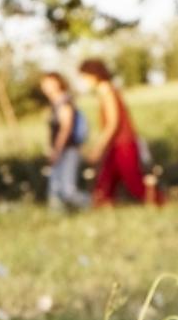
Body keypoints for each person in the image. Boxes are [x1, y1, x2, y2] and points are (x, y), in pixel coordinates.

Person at [78, 59, 155, 206]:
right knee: (105, 184)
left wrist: (99, 148)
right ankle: (103, 211)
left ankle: (159, 204)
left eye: (85, 77)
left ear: (94, 75)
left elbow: (113, 123)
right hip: (115, 145)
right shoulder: (105, 92)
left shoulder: (107, 91)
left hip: (123, 144)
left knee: (135, 184)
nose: (84, 81)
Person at [39, 72, 90, 210]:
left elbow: (65, 129)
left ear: (58, 83)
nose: (45, 86)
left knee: (68, 191)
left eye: (49, 82)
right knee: (54, 188)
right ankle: (56, 217)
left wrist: (56, 151)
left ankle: (93, 205)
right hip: (60, 149)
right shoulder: (55, 104)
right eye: (44, 83)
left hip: (68, 150)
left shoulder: (64, 102)